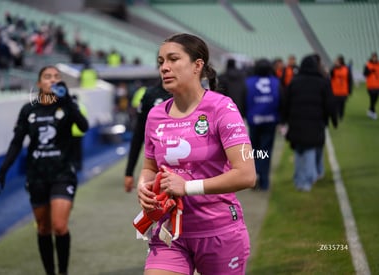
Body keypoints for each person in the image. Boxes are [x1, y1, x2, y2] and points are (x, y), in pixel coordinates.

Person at [137, 33, 256, 275]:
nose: (165, 67)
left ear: (197, 65)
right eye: (161, 62)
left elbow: (246, 175)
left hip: (219, 230)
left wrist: (188, 187)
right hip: (170, 231)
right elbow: (149, 167)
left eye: (173, 59)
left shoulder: (222, 108)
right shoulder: (155, 115)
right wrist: (144, 186)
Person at [0, 65, 89, 275]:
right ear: (39, 83)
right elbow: (17, 143)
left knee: (59, 225)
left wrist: (69, 104)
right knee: (44, 228)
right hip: (37, 176)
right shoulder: (29, 110)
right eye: (47, 77)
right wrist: (3, 170)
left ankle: (62, 272)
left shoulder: (67, 105)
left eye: (56, 77)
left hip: (62, 173)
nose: (52, 80)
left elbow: (83, 127)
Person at [283, 54, 337, 192]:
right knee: (309, 151)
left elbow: (285, 103)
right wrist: (333, 119)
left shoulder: (294, 81)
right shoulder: (322, 82)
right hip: (315, 124)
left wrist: (284, 120)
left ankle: (299, 180)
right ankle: (307, 181)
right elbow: (330, 104)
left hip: (296, 123)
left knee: (299, 152)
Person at [124, 81, 172, 192]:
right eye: (162, 63)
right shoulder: (150, 94)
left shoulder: (195, 97)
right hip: (159, 169)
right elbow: (138, 134)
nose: (166, 67)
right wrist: (129, 172)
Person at [244, 58, 283, 191]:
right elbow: (281, 101)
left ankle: (255, 177)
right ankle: (264, 181)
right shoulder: (276, 82)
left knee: (254, 151)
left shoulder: (248, 82)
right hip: (270, 121)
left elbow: (244, 101)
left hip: (254, 120)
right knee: (265, 151)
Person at [330, 54, 353, 120]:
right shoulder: (333, 69)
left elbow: (349, 80)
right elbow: (330, 76)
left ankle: (341, 116)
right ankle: (336, 115)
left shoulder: (346, 69)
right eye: (336, 61)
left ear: (341, 61)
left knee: (342, 105)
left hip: (343, 91)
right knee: (335, 105)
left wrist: (349, 90)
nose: (336, 62)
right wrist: (334, 66)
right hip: (334, 91)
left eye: (337, 61)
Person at [363, 52, 379, 120]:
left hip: (377, 85)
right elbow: (365, 74)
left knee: (375, 99)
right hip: (370, 85)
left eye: (375, 57)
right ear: (371, 57)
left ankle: (370, 110)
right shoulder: (368, 64)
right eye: (373, 57)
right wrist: (370, 71)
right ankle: (373, 113)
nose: (374, 58)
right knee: (372, 99)